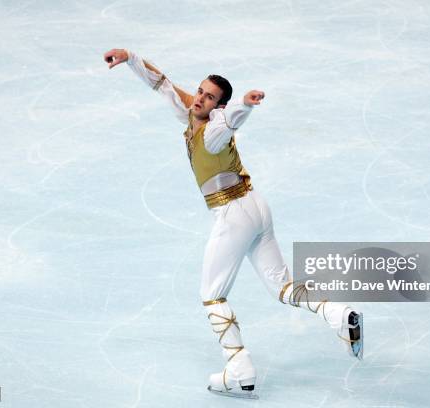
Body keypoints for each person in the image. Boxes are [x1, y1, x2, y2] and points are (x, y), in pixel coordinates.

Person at [103, 48, 363, 399]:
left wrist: (245, 103)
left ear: (218, 106)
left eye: (209, 98)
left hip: (233, 214)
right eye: (200, 91)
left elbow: (230, 121)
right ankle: (339, 313)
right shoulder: (191, 113)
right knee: (283, 288)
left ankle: (239, 368)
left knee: (212, 295)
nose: (199, 99)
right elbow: (163, 84)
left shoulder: (215, 129)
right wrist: (130, 57)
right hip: (255, 206)